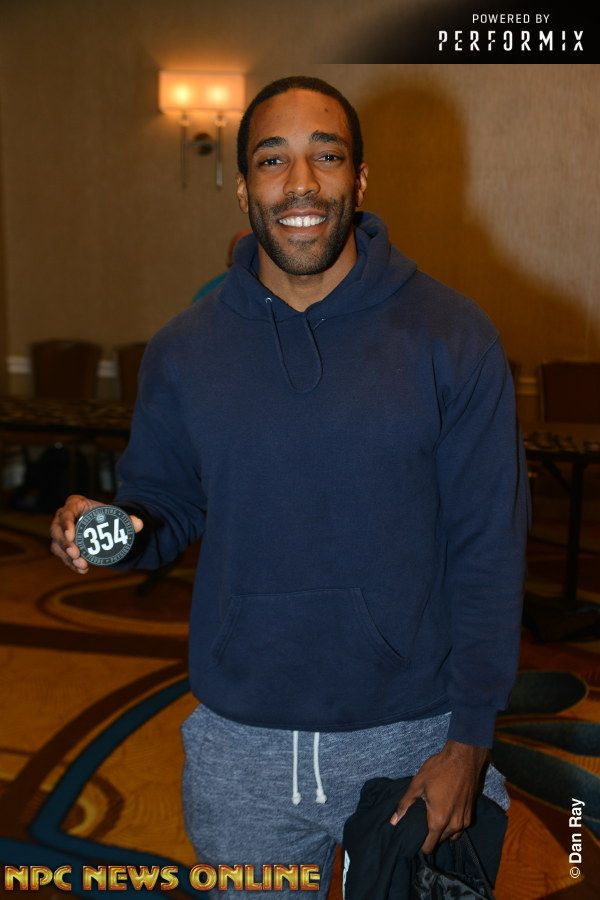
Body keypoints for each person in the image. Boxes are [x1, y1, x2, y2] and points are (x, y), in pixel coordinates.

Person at [50, 76, 529, 896]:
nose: (300, 183)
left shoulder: (451, 336)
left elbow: (490, 547)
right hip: (243, 750)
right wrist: (115, 531)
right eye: (273, 160)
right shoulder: (184, 349)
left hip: (413, 736)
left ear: (359, 180)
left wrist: (469, 742)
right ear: (244, 188)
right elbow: (164, 507)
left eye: (326, 156)